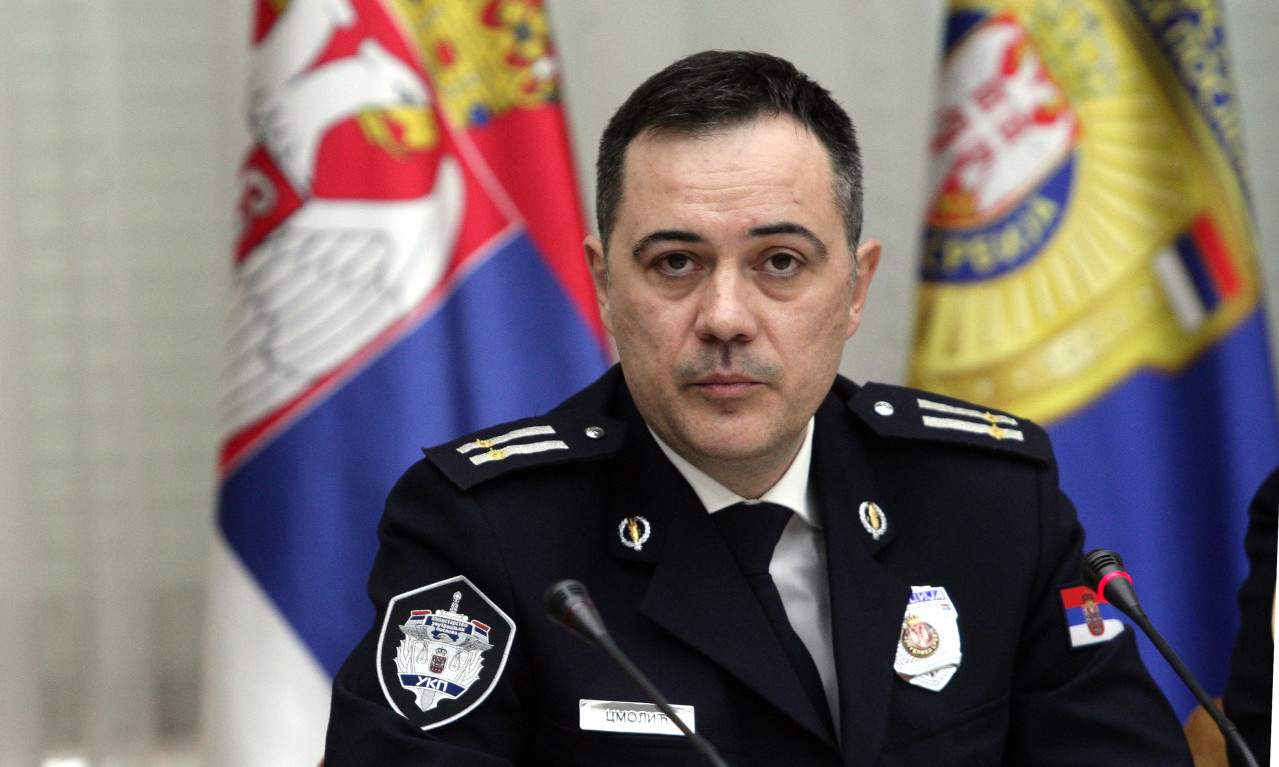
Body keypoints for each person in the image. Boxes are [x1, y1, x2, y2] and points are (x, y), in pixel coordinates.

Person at [324, 50, 1193, 765]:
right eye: (674, 263)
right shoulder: (489, 530)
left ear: (854, 289)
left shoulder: (987, 503)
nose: (725, 317)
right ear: (603, 285)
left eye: (780, 262)